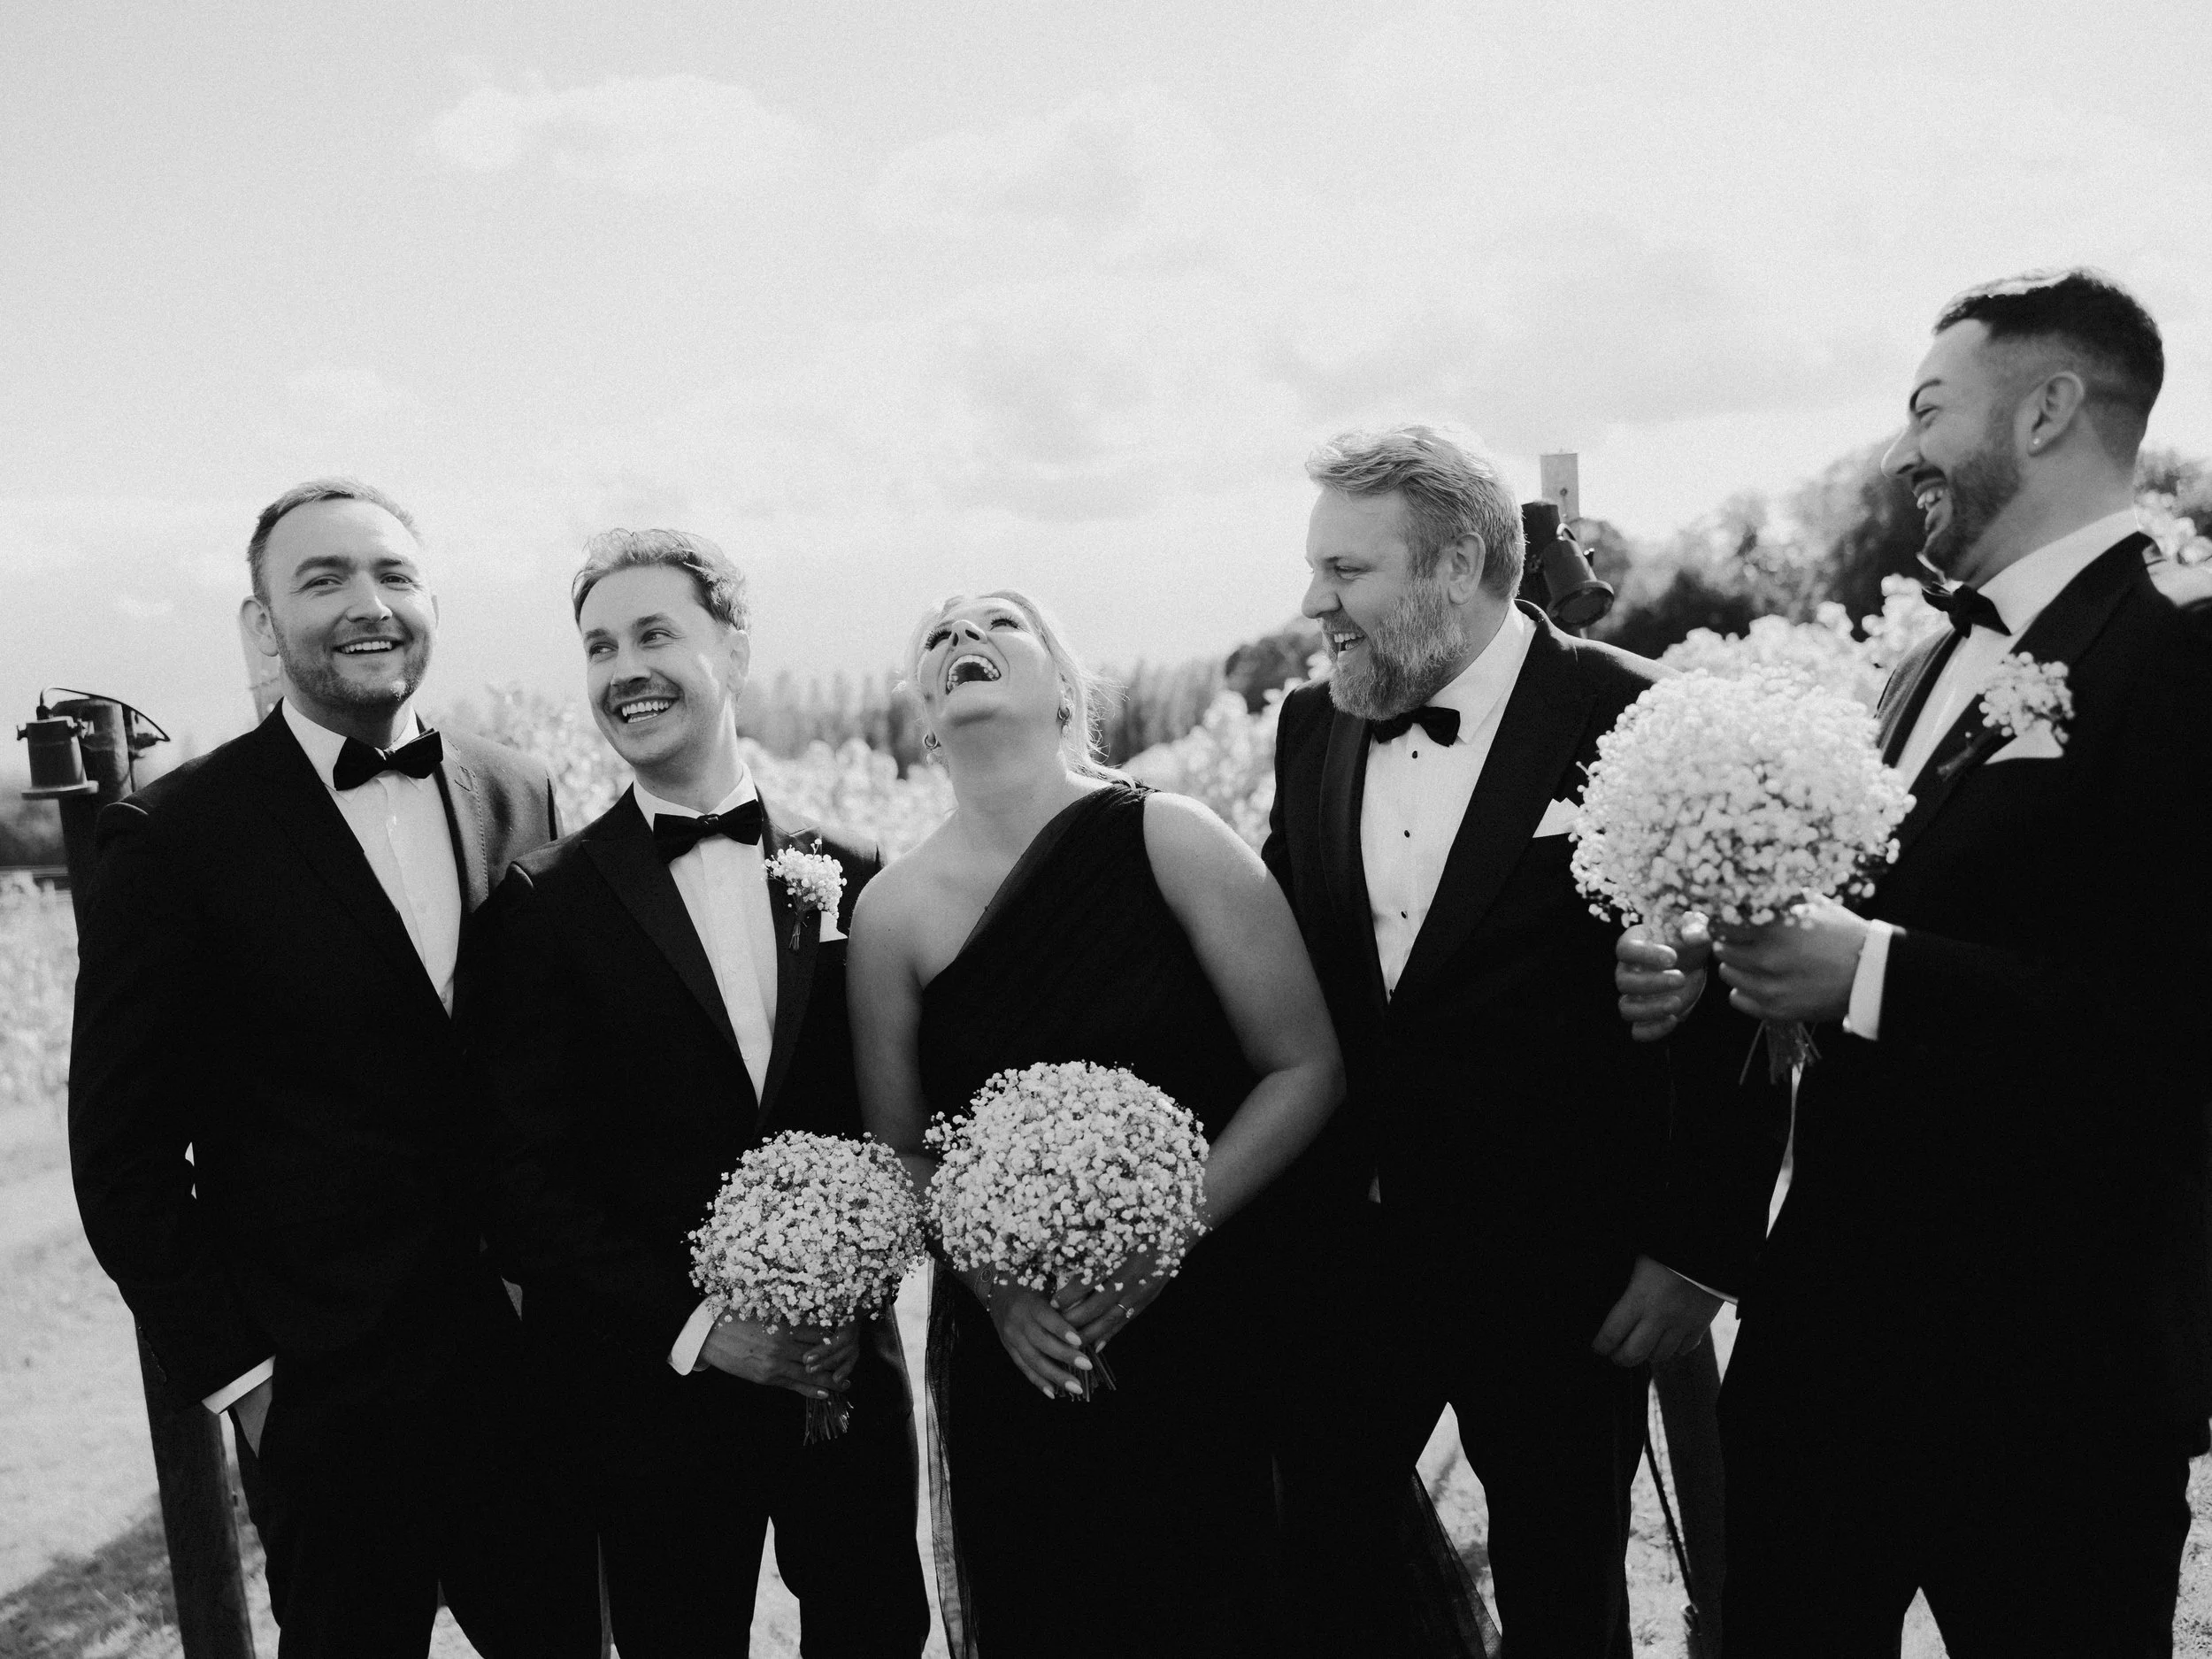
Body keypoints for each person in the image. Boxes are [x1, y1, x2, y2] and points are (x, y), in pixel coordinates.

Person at [1624, 270, 2212, 1655]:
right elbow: (1878, 917)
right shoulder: (1914, 666)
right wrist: (1727, 960)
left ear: (2054, 408)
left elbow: (2177, 1017)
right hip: (1827, 1342)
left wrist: (1870, 969)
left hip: (2055, 1372)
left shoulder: (2184, 647)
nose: (1903, 452)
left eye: (1930, 408)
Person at [1263, 426, 1787, 1658]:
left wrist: (1699, 1246)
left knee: (1564, 1591)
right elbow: (1287, 968)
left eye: (1346, 569)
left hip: (1567, 1268)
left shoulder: (1646, 718)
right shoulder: (1308, 726)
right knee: (1323, 1574)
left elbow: (1746, 1004)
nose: (1311, 601)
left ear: (1456, 564)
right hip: (1344, 1256)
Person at [68, 480, 601, 1657]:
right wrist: (251, 1381)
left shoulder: (518, 789)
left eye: (394, 575)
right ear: (265, 623)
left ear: (431, 602)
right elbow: (123, 1161)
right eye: (324, 579)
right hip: (326, 1406)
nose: (368, 603)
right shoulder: (173, 841)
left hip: (529, 1380)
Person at [849, 588, 1344, 1659]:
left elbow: (1304, 1065)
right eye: (935, 635)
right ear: (924, 716)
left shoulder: (1170, 837)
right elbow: (903, 1148)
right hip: (1027, 1359)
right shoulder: (890, 911)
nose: (963, 639)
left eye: (1000, 622)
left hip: (1207, 1324)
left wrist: (1165, 1237)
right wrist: (997, 1289)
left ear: (1067, 692)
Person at [470, 529, 929, 1659]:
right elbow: (518, 1181)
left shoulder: (858, 869)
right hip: (653, 1393)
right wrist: (703, 1328)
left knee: (875, 1626)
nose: (623, 669)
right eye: (598, 647)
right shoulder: (543, 904)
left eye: (654, 633)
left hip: (846, 1374)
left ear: (734, 647)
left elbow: (896, 1114)